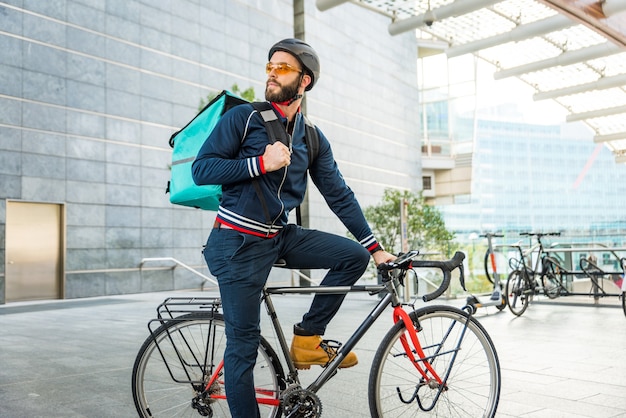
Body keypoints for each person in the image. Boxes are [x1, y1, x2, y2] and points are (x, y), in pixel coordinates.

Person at [192, 38, 395, 418]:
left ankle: (306, 339)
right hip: (235, 243)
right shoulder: (244, 118)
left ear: (305, 81)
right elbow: (202, 169)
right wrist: (259, 164)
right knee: (243, 347)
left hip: (276, 236)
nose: (271, 72)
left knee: (352, 257)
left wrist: (376, 247)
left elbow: (339, 195)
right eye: (270, 65)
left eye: (282, 68)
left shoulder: (312, 138)